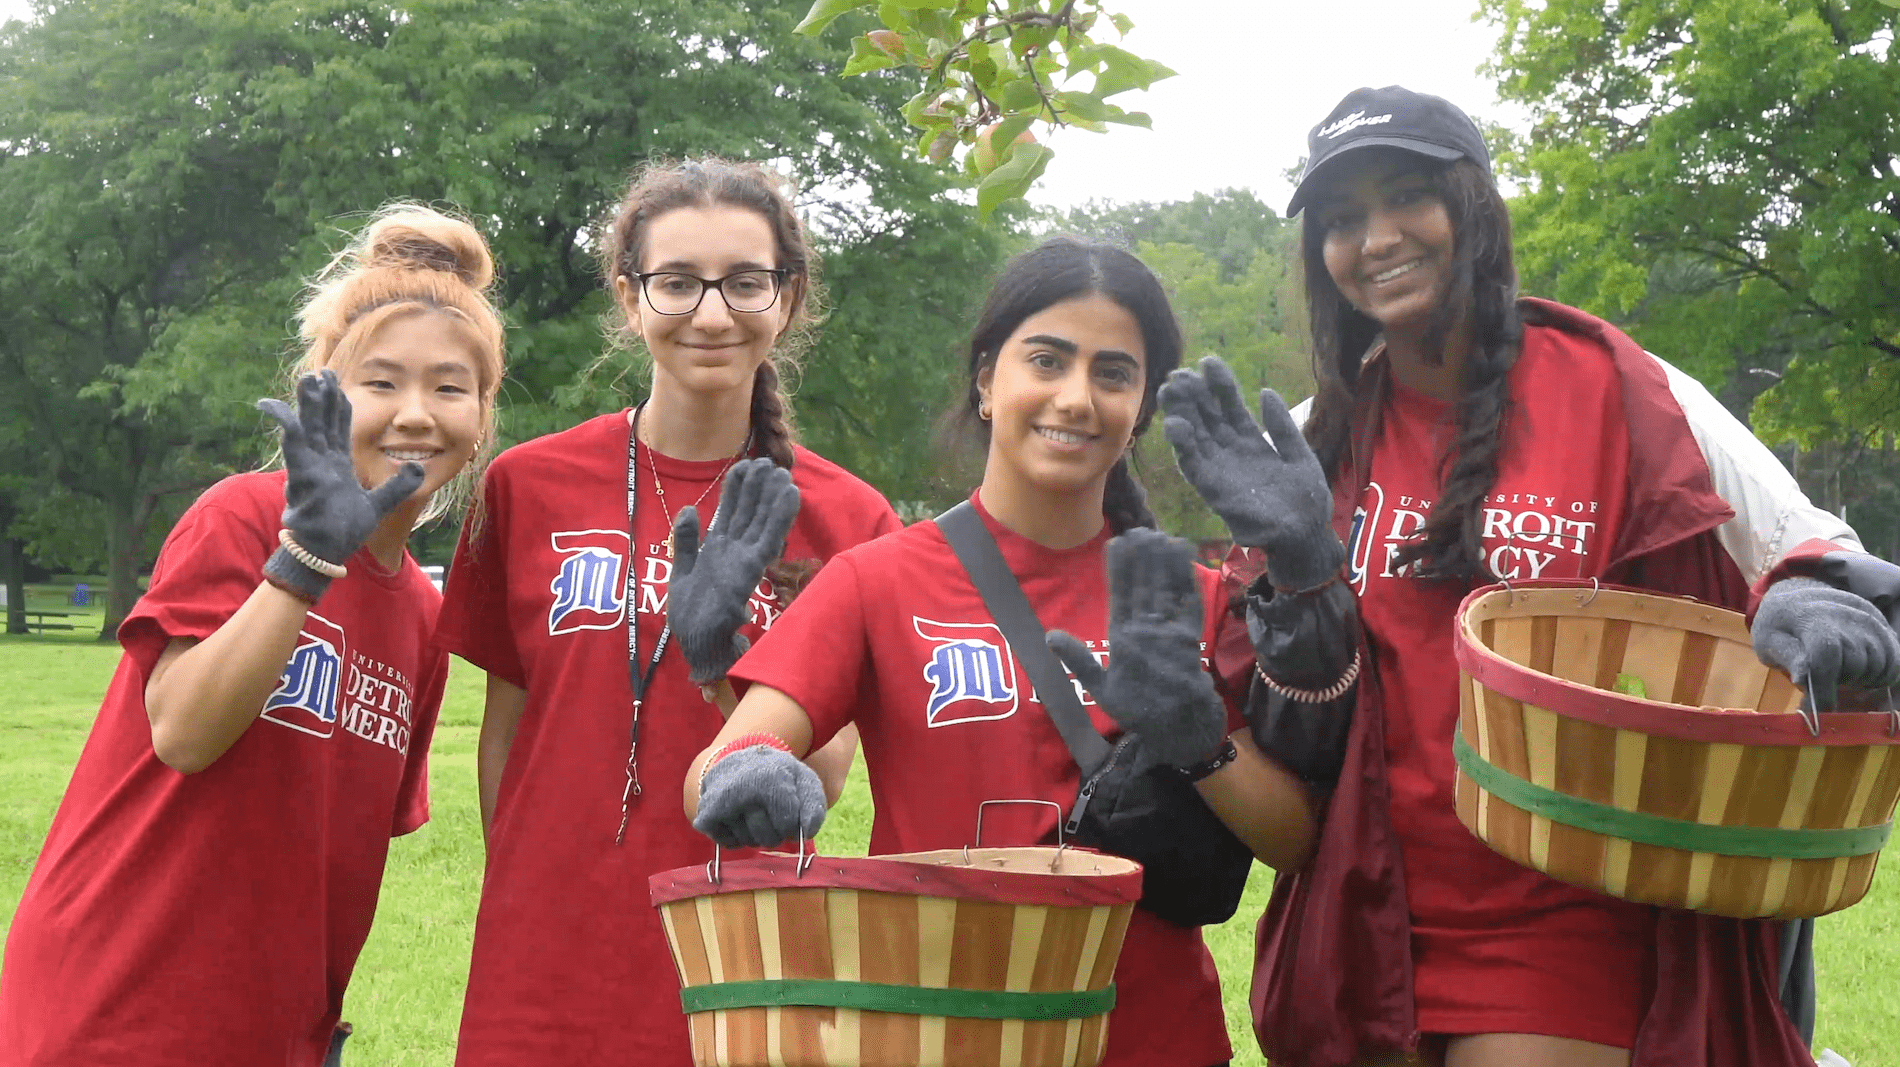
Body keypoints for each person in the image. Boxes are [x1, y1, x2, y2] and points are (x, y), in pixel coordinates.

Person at [1158, 86, 1900, 1067]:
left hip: (1570, 903)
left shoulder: (1614, 382)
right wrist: (1290, 568)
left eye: (1405, 196)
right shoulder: (1313, 437)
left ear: (1471, 206)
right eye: (1341, 219)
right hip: (1367, 902)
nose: (1374, 237)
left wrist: (1805, 590)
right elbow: (1290, 701)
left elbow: (1800, 537)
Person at [683, 236, 1320, 1067]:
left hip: (1153, 1038)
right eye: (1047, 360)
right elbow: (724, 761)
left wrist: (1203, 743)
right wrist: (749, 773)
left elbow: (1295, 840)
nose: (1077, 397)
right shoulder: (878, 580)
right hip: (937, 1034)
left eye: (1114, 372)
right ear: (988, 379)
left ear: (1141, 409)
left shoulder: (1190, 598)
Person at [0, 205, 507, 1066]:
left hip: (272, 1027)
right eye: (380, 383)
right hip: (118, 1004)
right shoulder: (245, 517)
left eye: (451, 387)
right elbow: (184, 732)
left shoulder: (424, 615)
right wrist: (305, 562)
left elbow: (331, 848)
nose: (416, 413)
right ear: (324, 393)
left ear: (484, 412)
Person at [438, 158, 901, 1067]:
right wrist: (535, 891)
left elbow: (828, 777)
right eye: (678, 282)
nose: (713, 313)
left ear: (790, 296)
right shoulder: (526, 486)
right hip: (542, 955)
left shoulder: (848, 519)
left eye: (745, 282)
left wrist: (723, 656)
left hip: (741, 946)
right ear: (628, 295)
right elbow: (508, 733)